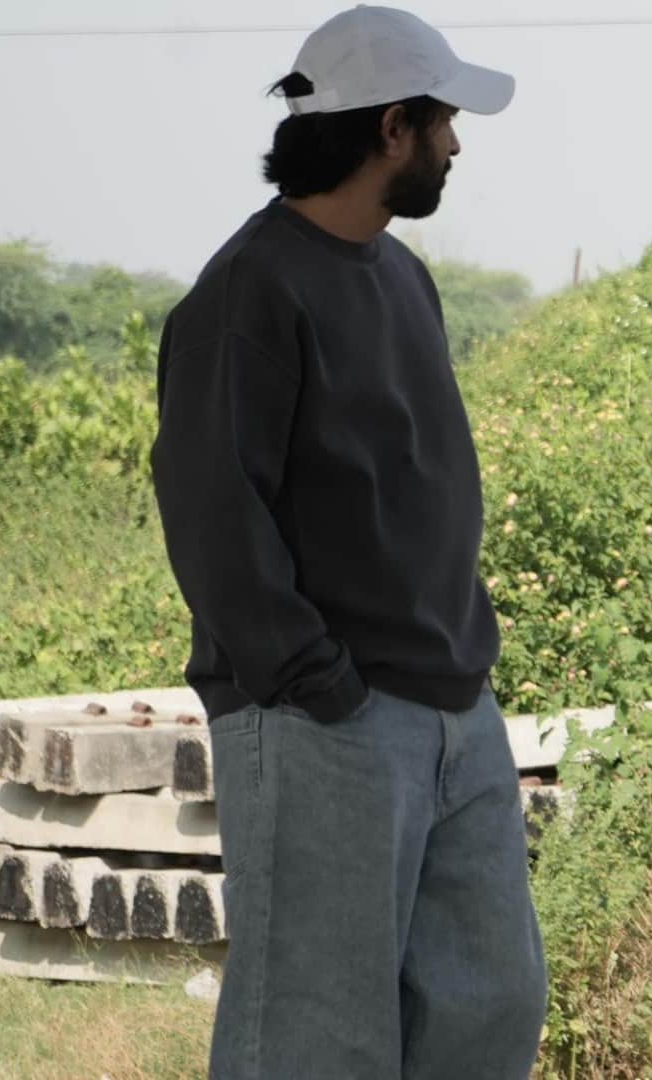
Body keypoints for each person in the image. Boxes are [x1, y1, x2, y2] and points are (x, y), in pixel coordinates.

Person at [148, 7, 545, 1077]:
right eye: (443, 121)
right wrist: (312, 679)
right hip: (325, 716)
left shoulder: (402, 275)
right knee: (317, 1039)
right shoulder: (248, 290)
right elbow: (209, 504)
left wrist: (461, 672)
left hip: (454, 703)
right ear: (390, 127)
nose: (455, 145)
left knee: (490, 1006)